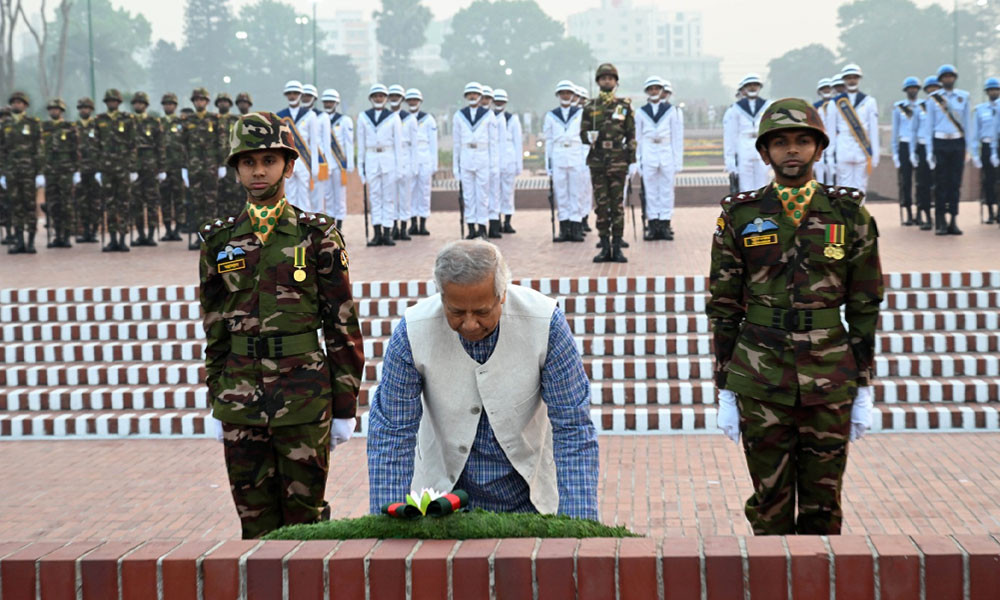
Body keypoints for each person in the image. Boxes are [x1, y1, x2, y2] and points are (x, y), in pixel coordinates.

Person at [708, 98, 883, 535]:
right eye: (780, 142)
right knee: (770, 505)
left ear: (819, 149)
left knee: (824, 507)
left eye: (803, 141)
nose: (792, 150)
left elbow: (865, 303)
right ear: (764, 152)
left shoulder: (849, 215)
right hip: (759, 372)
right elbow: (724, 304)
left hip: (830, 372)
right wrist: (725, 387)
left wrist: (863, 384)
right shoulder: (740, 216)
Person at [198, 111, 364, 539]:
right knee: (253, 523)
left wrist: (344, 407)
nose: (258, 171)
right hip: (240, 397)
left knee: (305, 524)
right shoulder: (219, 241)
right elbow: (215, 328)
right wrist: (217, 397)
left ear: (288, 166)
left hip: (304, 396)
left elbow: (342, 326)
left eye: (268, 161)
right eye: (248, 162)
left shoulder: (317, 234)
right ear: (235, 168)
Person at [367, 240, 599, 520]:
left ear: (502, 295)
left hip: (530, 497)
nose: (469, 324)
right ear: (441, 296)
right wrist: (388, 523)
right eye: (455, 312)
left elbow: (573, 427)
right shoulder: (412, 332)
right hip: (441, 501)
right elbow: (393, 432)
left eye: (481, 312)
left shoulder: (546, 323)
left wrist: (579, 524)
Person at [582, 63, 635, 262]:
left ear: (615, 82)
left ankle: (617, 246)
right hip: (597, 161)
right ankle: (604, 246)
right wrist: (589, 137)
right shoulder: (590, 106)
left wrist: (632, 159)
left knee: (617, 205)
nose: (607, 81)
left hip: (618, 161)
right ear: (598, 82)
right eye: (603, 78)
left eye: (610, 78)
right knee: (602, 206)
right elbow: (582, 134)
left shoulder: (623, 106)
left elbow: (631, 134)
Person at [924, 64, 971, 235]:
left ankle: (953, 220)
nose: (948, 79)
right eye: (945, 77)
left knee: (955, 184)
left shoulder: (964, 97)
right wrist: (929, 151)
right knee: (941, 183)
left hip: (957, 143)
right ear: (941, 80)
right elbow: (928, 127)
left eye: (951, 76)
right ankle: (941, 221)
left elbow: (967, 125)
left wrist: (969, 148)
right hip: (940, 143)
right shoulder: (933, 99)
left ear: (955, 78)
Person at [636, 75, 684, 241]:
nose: (654, 91)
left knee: (666, 190)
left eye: (657, 88)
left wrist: (678, 160)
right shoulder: (641, 112)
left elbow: (677, 137)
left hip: (666, 151)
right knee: (650, 191)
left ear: (662, 90)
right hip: (649, 151)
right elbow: (638, 138)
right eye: (651, 89)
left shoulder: (671, 111)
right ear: (647, 92)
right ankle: (653, 224)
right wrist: (638, 160)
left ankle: (665, 224)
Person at [357, 83, 403, 246]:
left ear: (386, 99)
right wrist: (360, 167)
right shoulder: (363, 117)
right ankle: (376, 232)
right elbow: (361, 144)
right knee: (375, 197)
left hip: (388, 158)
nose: (378, 99)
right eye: (375, 96)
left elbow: (399, 145)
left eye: (381, 96)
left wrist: (399, 167)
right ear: (371, 99)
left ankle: (387, 232)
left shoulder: (393, 117)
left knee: (389, 197)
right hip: (371, 158)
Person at [1, 91, 45, 254]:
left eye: (19, 103)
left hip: (29, 172)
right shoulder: (5, 124)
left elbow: (39, 149)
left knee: (29, 206)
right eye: (14, 102)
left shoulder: (33, 123)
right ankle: (19, 241)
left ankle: (31, 242)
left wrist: (40, 172)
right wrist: (2, 173)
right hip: (12, 171)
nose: (16, 105)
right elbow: (2, 150)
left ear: (25, 106)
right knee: (16, 207)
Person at [96, 88, 138, 253]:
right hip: (106, 169)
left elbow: (133, 144)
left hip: (123, 168)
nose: (111, 103)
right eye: (109, 101)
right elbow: (96, 146)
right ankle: (112, 238)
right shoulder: (100, 120)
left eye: (114, 101)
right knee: (110, 204)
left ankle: (122, 238)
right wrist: (98, 168)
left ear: (119, 103)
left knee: (124, 203)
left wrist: (133, 167)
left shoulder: (127, 119)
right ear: (106, 103)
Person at [184, 87, 226, 250]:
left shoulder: (215, 119)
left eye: (202, 100)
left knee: (210, 203)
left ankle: (210, 236)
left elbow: (221, 142)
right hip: (194, 167)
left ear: (207, 102)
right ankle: (198, 237)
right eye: (196, 100)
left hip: (211, 167)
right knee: (196, 203)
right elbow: (183, 145)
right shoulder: (187, 120)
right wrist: (184, 168)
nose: (199, 102)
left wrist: (222, 164)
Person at [545, 80, 586, 243]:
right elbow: (548, 140)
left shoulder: (581, 113)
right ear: (558, 95)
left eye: (568, 93)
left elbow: (585, 138)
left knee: (576, 192)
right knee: (561, 193)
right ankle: (564, 228)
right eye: (562, 93)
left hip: (576, 154)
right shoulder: (551, 115)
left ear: (573, 95)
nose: (566, 96)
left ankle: (576, 227)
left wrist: (584, 159)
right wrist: (548, 163)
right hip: (558, 154)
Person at [827, 64, 879, 193]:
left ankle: (858, 212)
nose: (851, 80)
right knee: (844, 187)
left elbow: (873, 130)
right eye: (848, 78)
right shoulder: (835, 103)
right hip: (843, 148)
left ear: (859, 79)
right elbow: (831, 132)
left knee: (861, 187)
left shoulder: (869, 101)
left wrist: (875, 154)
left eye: (854, 77)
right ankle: (846, 213)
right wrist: (829, 156)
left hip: (862, 149)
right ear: (844, 80)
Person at [453, 81, 493, 240]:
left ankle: (482, 227)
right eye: (469, 94)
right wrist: (456, 167)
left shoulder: (488, 115)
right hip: (466, 155)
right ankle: (471, 227)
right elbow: (456, 143)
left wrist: (493, 164)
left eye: (475, 94)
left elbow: (494, 142)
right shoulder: (459, 115)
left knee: (482, 194)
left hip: (483, 155)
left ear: (480, 96)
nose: (472, 96)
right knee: (468, 195)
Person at [724, 74, 772, 193]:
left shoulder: (768, 105)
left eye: (755, 85)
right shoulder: (736, 108)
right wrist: (730, 159)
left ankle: (762, 210)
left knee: (763, 183)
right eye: (749, 85)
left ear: (760, 87)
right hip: (744, 145)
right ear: (744, 89)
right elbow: (731, 135)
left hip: (762, 144)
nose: (752, 88)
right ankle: (748, 210)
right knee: (745, 185)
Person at [276, 80, 319, 211]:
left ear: (301, 95)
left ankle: (304, 226)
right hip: (288, 159)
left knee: (304, 195)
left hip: (304, 160)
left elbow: (314, 141)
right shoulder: (280, 116)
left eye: (295, 93)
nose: (292, 96)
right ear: (286, 95)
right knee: (288, 193)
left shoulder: (310, 115)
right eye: (290, 93)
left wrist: (315, 164)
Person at [40, 98, 77, 249]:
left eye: (56, 109)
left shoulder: (69, 127)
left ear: (61, 111)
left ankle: (67, 235)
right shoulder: (44, 127)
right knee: (53, 205)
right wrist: (41, 171)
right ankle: (57, 235)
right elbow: (39, 149)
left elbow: (76, 149)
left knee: (66, 204)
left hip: (66, 171)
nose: (53, 111)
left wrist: (76, 170)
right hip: (50, 171)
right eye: (51, 109)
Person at [130, 91, 165, 246]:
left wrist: (162, 168)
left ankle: (151, 234)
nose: (138, 105)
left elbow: (160, 146)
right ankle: (140, 234)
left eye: (141, 103)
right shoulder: (128, 122)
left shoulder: (154, 122)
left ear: (145, 105)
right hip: (134, 167)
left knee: (151, 201)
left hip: (151, 167)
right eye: (136, 103)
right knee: (136, 202)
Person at [909, 76, 941, 231]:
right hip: (922, 149)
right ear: (926, 90)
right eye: (930, 88)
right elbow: (913, 131)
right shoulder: (920, 108)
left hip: (939, 147)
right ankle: (926, 215)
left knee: (940, 185)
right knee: (923, 185)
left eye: (936, 88)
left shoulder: (945, 107)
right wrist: (912, 152)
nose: (933, 90)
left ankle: (941, 217)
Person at [320, 88, 353, 231]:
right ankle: (330, 225)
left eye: (331, 102)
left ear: (336, 103)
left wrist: (350, 163)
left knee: (339, 196)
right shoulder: (320, 119)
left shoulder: (344, 120)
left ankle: (339, 226)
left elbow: (349, 143)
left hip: (339, 164)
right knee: (327, 196)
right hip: (325, 164)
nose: (328, 104)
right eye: (326, 102)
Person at [405, 88, 437, 236]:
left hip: (424, 157)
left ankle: (423, 223)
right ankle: (413, 223)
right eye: (410, 100)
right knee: (410, 191)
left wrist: (433, 164)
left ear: (420, 102)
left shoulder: (428, 119)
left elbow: (433, 143)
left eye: (415, 100)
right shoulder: (403, 118)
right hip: (409, 157)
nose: (412, 102)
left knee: (424, 192)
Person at [892, 77, 921, 226]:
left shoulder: (924, 106)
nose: (913, 90)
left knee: (921, 181)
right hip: (904, 144)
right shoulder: (899, 107)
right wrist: (895, 153)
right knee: (906, 181)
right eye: (910, 88)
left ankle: (921, 212)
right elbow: (895, 132)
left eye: (915, 88)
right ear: (906, 90)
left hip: (919, 146)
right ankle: (908, 212)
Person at [388, 84, 415, 241]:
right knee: (391, 196)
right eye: (391, 96)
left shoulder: (409, 118)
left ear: (402, 99)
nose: (394, 99)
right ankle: (392, 226)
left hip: (406, 157)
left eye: (397, 97)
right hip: (390, 157)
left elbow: (414, 144)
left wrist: (413, 164)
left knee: (404, 195)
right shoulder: (386, 117)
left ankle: (404, 227)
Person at [159, 93, 187, 241]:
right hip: (163, 168)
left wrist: (186, 167)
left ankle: (178, 229)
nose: (168, 106)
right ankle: (168, 229)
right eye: (165, 104)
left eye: (170, 104)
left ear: (175, 106)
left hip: (178, 167)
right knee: (165, 199)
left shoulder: (182, 122)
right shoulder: (158, 123)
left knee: (179, 199)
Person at [492, 88, 521, 234]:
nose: (499, 103)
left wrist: (518, 163)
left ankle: (507, 221)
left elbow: (518, 142)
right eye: (496, 100)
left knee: (508, 191)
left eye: (501, 101)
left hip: (509, 156)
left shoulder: (512, 118)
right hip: (494, 156)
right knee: (494, 191)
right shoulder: (488, 117)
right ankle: (495, 220)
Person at [972, 77, 1000, 225]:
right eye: (991, 90)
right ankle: (989, 210)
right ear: (987, 92)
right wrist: (975, 154)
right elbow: (975, 133)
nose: (993, 92)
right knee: (988, 180)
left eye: (996, 89)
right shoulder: (981, 110)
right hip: (987, 146)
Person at [216, 92, 246, 218]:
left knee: (234, 195)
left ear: (230, 104)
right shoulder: (212, 120)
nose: (223, 103)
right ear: (217, 104)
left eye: (226, 101)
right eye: (221, 101)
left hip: (232, 163)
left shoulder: (236, 120)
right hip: (213, 164)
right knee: (217, 197)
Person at [480, 85, 505, 238]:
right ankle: (480, 226)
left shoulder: (495, 117)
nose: (485, 101)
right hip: (481, 161)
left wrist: (499, 163)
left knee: (494, 195)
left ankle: (494, 226)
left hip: (495, 161)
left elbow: (500, 144)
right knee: (481, 196)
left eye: (488, 98)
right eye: (483, 97)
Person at [812, 79, 835, 185]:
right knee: (819, 166)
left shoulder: (836, 104)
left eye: (828, 88)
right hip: (820, 138)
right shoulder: (815, 106)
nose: (826, 90)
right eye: (824, 88)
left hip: (835, 139)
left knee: (833, 168)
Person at [0, 105, 14, 245]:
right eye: (3, 116)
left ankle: (12, 232)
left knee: (12, 203)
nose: (5, 119)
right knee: (3, 205)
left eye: (7, 116)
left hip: (10, 172)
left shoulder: (12, 132)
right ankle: (8, 232)